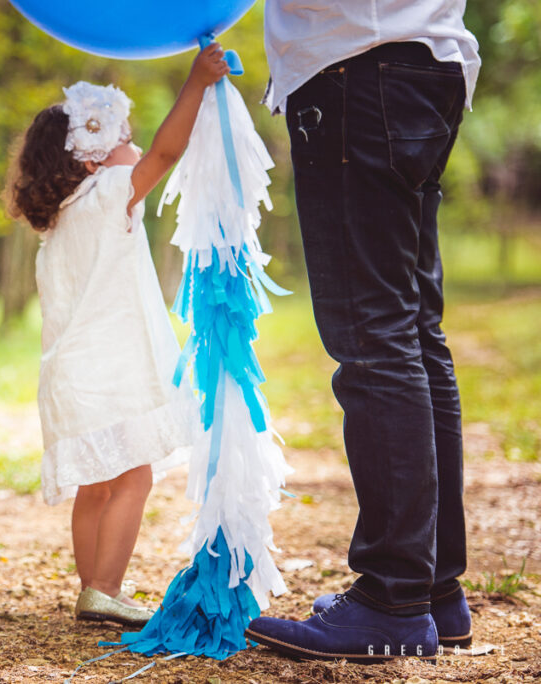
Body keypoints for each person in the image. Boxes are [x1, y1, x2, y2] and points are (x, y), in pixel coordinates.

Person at [244, 1, 480, 663]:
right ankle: (431, 591)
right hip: (422, 64)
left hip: (358, 66)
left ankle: (394, 600)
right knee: (409, 332)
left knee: (375, 337)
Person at [6, 44, 230, 626]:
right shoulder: (110, 196)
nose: (132, 145)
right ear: (90, 162)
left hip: (69, 374)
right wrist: (196, 81)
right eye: (120, 140)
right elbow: (169, 149)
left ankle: (93, 588)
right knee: (134, 475)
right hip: (111, 368)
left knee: (96, 486)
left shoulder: (58, 222)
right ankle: (104, 586)